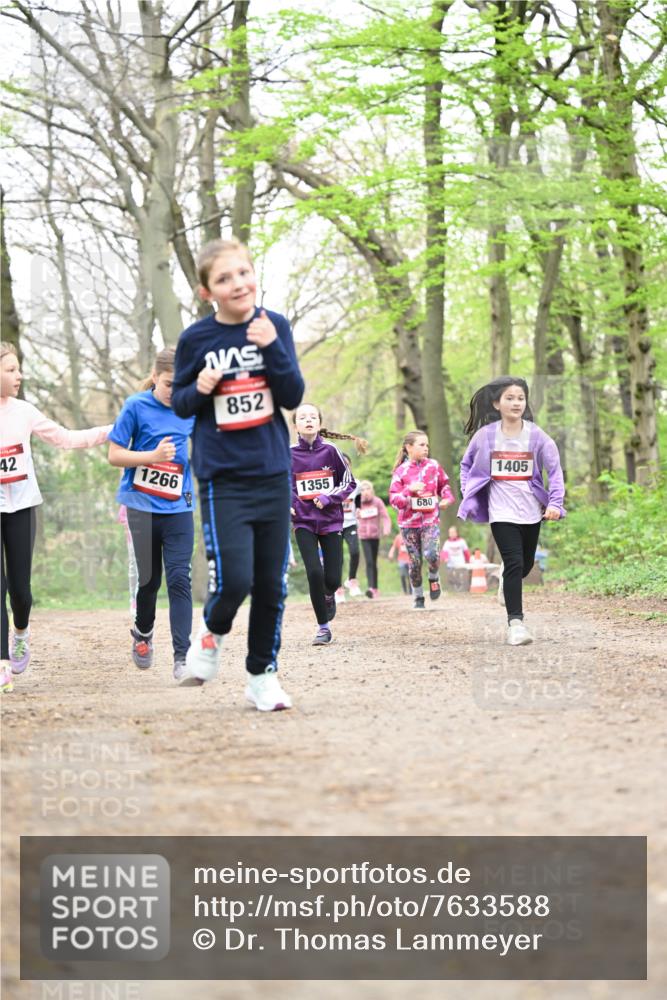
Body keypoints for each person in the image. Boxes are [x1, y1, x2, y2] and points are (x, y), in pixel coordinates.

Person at [171, 237, 305, 711]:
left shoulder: (275, 327)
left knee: (272, 584)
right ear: (208, 291)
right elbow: (180, 401)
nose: (238, 284)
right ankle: (211, 630)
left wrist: (272, 349)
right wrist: (201, 388)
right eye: (224, 278)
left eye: (243, 273)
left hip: (271, 470)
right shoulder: (196, 340)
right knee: (234, 581)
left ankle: (261, 675)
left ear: (254, 275)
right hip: (223, 477)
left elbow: (291, 395)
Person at [0, 342, 111, 692]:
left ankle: (20, 633)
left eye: (18, 369)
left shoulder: (23, 411)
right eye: (11, 370)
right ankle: (2, 664)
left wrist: (113, 429)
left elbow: (65, 439)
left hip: (20, 507)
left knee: (20, 591)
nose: (19, 376)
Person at [108, 348, 195, 681]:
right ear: (156, 377)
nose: (176, 391)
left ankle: (182, 658)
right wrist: (152, 456)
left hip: (179, 507)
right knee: (149, 581)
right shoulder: (136, 406)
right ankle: (143, 633)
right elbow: (114, 455)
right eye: (171, 383)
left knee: (178, 578)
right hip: (141, 507)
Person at [458, 375, 565, 645]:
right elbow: (466, 465)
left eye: (520, 398)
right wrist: (468, 493)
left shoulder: (536, 435)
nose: (516, 403)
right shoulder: (485, 436)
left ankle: (508, 581)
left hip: (531, 510)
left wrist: (555, 503)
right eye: (510, 398)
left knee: (524, 564)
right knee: (515, 562)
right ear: (496, 403)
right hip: (500, 511)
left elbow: (554, 470)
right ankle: (516, 624)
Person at [290, 403, 365, 645]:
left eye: (313, 417)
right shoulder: (288, 454)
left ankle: (329, 593)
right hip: (303, 521)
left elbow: (349, 483)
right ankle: (323, 627)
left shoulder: (331, 451)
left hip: (332, 521)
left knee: (332, 579)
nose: (308, 420)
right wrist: (289, 503)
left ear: (320, 424)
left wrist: (328, 497)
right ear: (296, 425)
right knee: (314, 572)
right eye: (303, 417)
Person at [389, 431, 455, 610]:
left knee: (432, 555)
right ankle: (418, 597)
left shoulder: (433, 466)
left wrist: (447, 498)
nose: (426, 448)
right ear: (409, 447)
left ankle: (434, 577)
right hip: (408, 523)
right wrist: (409, 490)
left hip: (430, 520)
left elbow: (445, 486)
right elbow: (394, 500)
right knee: (415, 561)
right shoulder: (400, 471)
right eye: (421, 445)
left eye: (427, 445)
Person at [356, 479, 391, 598]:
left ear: (372, 490)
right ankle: (370, 588)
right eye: (363, 490)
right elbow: (350, 515)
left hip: (375, 536)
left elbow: (385, 517)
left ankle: (375, 588)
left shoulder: (377, 502)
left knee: (374, 562)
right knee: (369, 561)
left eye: (368, 489)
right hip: (363, 536)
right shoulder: (358, 502)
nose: (365, 492)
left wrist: (386, 529)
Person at [337, 453, 362, 601]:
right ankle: (338, 588)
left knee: (355, 551)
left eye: (347, 464)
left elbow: (358, 496)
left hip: (351, 522)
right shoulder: (331, 483)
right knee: (337, 558)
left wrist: (358, 507)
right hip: (335, 525)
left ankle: (351, 580)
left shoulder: (356, 483)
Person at [440, 525, 470, 592]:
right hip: (451, 564)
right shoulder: (447, 543)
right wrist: (445, 558)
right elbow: (444, 552)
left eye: (453, 532)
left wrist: (468, 560)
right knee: (451, 578)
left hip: (460, 564)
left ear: (456, 533)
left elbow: (466, 552)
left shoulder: (462, 541)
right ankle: (453, 589)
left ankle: (461, 589)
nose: (452, 534)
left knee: (460, 578)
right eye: (450, 532)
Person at [388, 530, 411, 594]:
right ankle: (404, 590)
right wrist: (391, 552)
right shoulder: (398, 537)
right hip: (401, 560)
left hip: (410, 559)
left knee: (410, 575)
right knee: (402, 574)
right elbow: (394, 546)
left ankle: (411, 590)